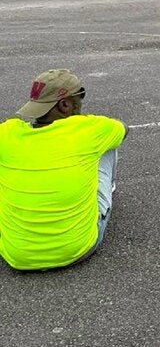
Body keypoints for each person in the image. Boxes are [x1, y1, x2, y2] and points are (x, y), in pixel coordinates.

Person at [0, 69, 128, 271]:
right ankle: (106, 192)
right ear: (65, 104)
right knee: (107, 147)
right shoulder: (89, 130)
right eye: (79, 97)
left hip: (17, 255)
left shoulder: (7, 133)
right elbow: (122, 129)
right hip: (76, 249)